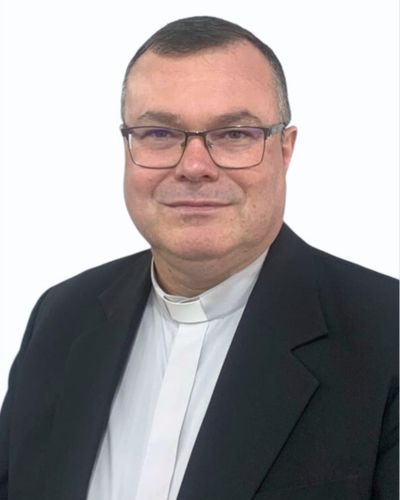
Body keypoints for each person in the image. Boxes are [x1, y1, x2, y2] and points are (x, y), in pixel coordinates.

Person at [0, 15, 398, 500]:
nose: (193, 166)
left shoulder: (387, 333)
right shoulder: (61, 317)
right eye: (159, 133)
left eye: (234, 134)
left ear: (285, 150)